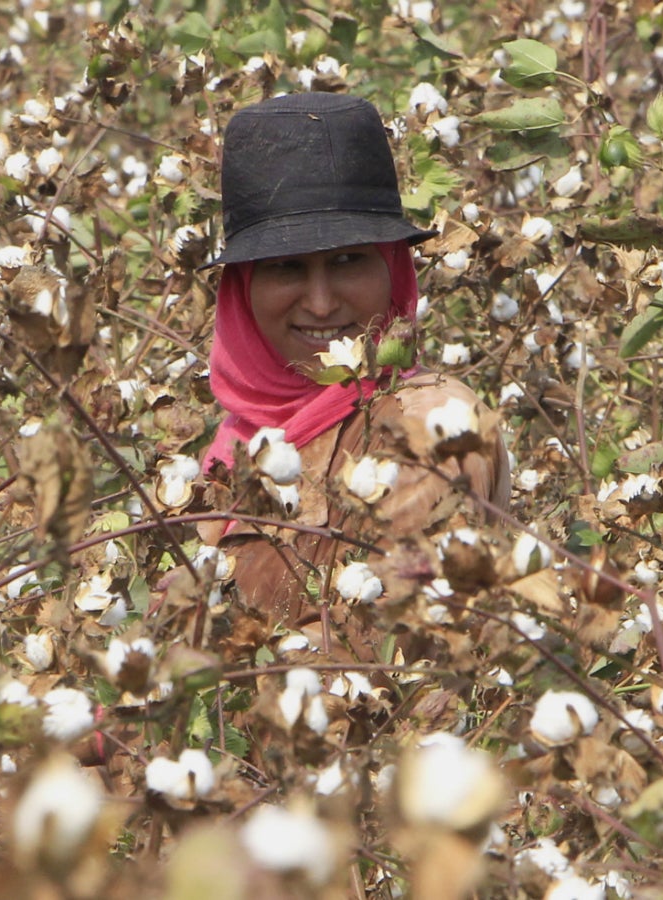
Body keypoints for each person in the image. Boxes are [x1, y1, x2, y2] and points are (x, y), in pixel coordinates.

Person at [194, 92, 509, 657]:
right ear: (242, 289)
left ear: (393, 268)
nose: (319, 303)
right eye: (285, 266)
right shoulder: (240, 441)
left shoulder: (429, 429)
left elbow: (376, 655)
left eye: (348, 260)